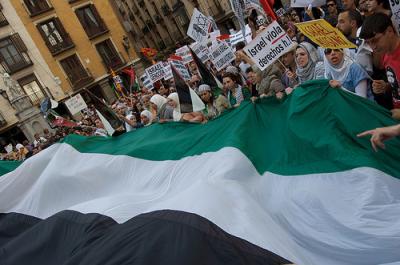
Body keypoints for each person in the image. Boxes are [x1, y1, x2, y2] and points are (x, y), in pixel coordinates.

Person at [360, 13, 400, 118]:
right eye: (368, 43)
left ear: (390, 31)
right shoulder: (385, 55)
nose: (373, 47)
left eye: (375, 40)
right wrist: (386, 86)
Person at [336, 10, 373, 74]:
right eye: (338, 22)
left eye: (341, 22)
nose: (337, 26)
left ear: (353, 23)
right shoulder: (342, 45)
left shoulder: (367, 41)